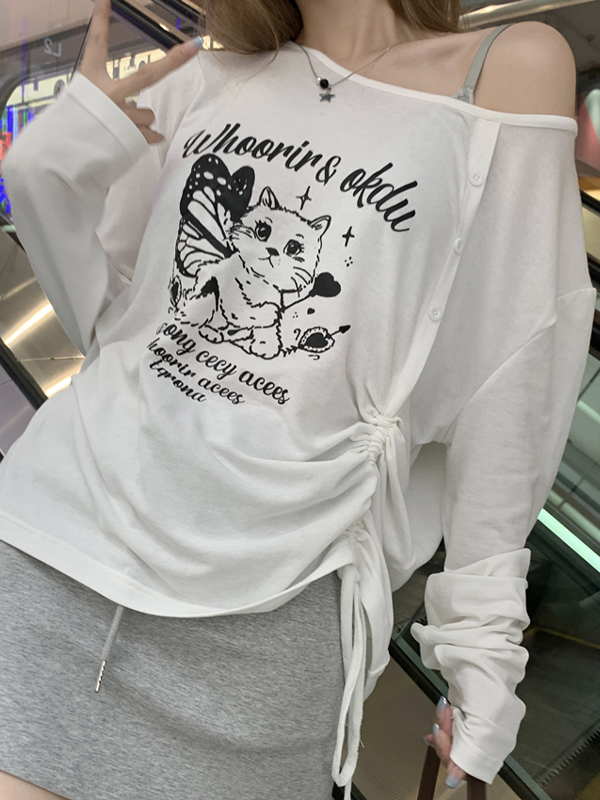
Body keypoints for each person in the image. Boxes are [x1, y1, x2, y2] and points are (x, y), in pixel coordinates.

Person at [0, 0, 594, 797]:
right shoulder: (210, 74)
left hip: (276, 604)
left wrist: (480, 647)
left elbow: (518, 365)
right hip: (49, 545)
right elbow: (127, 329)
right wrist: (43, 176)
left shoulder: (510, 67)